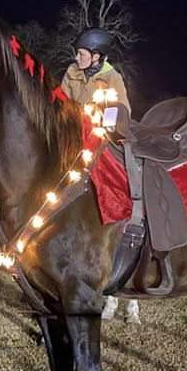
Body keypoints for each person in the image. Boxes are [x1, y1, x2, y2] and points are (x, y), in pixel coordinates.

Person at [61, 29, 140, 325]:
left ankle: (126, 296)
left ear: (96, 56)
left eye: (81, 53)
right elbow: (60, 106)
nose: (76, 57)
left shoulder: (113, 78)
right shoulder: (72, 73)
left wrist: (96, 126)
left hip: (101, 147)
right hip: (72, 147)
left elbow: (121, 115)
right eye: (77, 52)